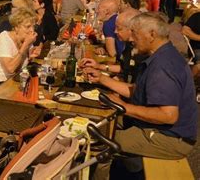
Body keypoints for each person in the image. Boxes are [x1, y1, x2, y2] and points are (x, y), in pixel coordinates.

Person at [84, 13, 197, 179]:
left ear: (152, 34)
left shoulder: (163, 67)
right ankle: (130, 166)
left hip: (171, 138)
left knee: (100, 141)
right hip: (160, 129)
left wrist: (125, 108)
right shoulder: (162, 55)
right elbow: (135, 90)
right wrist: (101, 78)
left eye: (135, 33)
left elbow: (168, 115)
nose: (131, 38)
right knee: (98, 122)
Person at [0, 8, 40, 95]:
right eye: (27, 26)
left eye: (33, 26)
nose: (32, 30)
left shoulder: (26, 40)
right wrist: (25, 46)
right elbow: (10, 69)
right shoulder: (4, 38)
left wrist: (31, 55)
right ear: (16, 27)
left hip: (12, 80)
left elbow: (22, 65)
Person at [81, 9, 145, 83]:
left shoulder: (142, 52)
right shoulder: (129, 44)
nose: (115, 31)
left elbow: (132, 89)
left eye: (119, 28)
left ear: (132, 30)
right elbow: (125, 68)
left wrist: (102, 79)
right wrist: (98, 66)